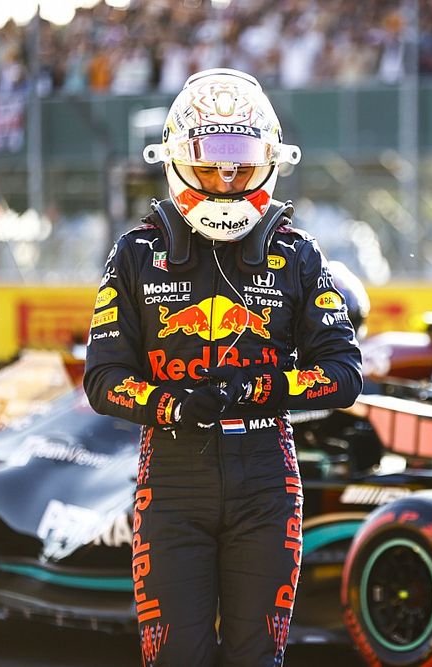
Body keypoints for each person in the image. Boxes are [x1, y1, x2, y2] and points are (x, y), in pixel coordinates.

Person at [82, 68, 362, 667]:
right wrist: (174, 404)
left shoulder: (297, 251)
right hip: (172, 479)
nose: (226, 179)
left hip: (267, 478)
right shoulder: (134, 253)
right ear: (178, 160)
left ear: (270, 161)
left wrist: (258, 389)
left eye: (241, 163)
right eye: (210, 165)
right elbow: (102, 381)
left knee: (257, 659)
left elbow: (343, 374)